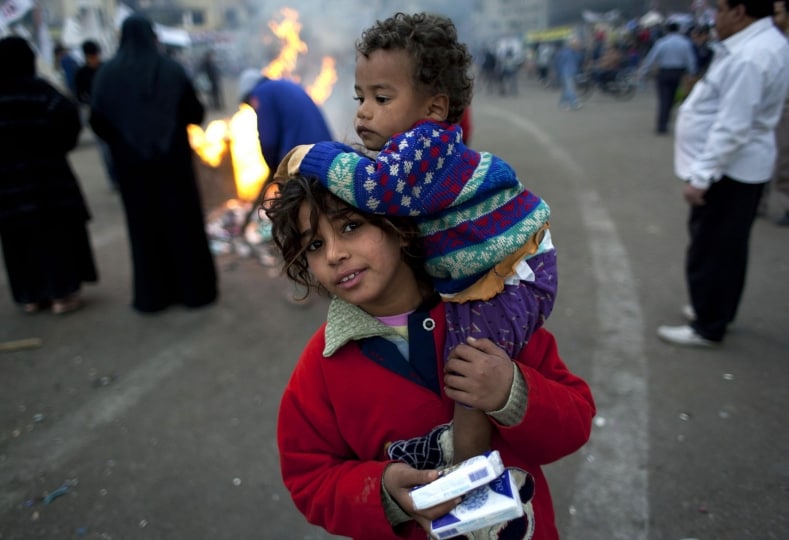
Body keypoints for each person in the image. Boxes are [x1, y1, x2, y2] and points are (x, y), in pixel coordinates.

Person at [276, 12, 556, 466]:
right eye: (314, 245)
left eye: (381, 98)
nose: (363, 111)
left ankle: (467, 476)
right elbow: (306, 469)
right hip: (492, 270)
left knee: (472, 367)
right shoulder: (323, 366)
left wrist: (312, 155)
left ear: (434, 108)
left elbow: (374, 186)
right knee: (467, 362)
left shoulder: (424, 147)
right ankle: (458, 457)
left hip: (513, 273)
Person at [264, 175, 595, 540]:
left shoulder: (492, 314)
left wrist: (511, 392)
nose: (334, 254)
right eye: (314, 245)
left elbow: (576, 422)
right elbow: (308, 479)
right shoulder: (322, 365)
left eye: (351, 226)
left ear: (400, 225)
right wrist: (383, 489)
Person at [657, 0, 789, 347]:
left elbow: (733, 126)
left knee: (711, 247)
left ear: (739, 12)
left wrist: (701, 176)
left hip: (728, 170)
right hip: (739, 167)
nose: (714, 17)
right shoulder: (760, 45)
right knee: (728, 247)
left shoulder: (751, 56)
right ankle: (716, 310)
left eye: (719, 9)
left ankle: (707, 324)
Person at [90, 15, 218, 313]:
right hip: (173, 165)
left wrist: (124, 142)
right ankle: (194, 292)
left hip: (132, 169)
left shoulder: (107, 74)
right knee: (183, 226)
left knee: (145, 230)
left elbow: (98, 121)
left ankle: (154, 296)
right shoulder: (171, 69)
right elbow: (194, 113)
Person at [0, 36, 97, 315]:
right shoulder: (41, 92)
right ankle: (61, 296)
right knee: (56, 238)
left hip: (7, 189)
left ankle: (31, 296)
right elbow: (69, 121)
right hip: (47, 183)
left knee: (19, 241)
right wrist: (54, 147)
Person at [244, 75, 333, 173]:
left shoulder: (261, 93)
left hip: (303, 158)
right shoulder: (282, 86)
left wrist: (275, 171)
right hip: (327, 151)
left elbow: (268, 142)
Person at [637, 22, 698, 134]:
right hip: (678, 73)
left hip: (664, 73)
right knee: (674, 99)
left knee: (664, 99)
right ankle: (671, 122)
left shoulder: (661, 43)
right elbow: (690, 59)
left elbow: (651, 58)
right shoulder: (685, 43)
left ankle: (662, 125)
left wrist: (643, 72)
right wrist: (692, 73)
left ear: (667, 30)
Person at [74, 40, 117, 191]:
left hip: (113, 114)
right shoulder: (81, 73)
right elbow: (79, 95)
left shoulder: (107, 69)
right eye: (91, 57)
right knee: (105, 150)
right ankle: (113, 179)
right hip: (96, 116)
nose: (94, 59)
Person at [554, 37, 584, 110]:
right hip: (566, 73)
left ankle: (562, 103)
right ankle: (574, 103)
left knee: (566, 89)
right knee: (570, 89)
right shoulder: (565, 52)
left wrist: (578, 51)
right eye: (575, 45)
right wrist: (558, 72)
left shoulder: (574, 52)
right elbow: (559, 63)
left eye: (577, 45)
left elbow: (579, 60)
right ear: (571, 45)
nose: (577, 46)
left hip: (571, 73)